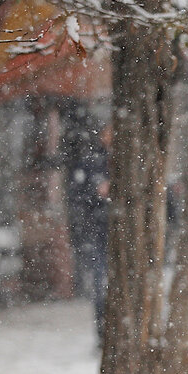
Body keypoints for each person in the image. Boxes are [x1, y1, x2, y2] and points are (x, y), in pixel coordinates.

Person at [62, 115, 110, 342]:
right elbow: (77, 195)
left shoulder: (129, 161)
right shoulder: (90, 163)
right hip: (98, 231)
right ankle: (102, 333)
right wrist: (95, 191)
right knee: (100, 284)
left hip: (117, 233)